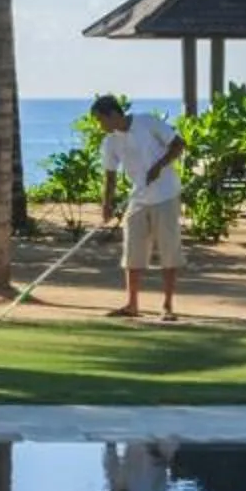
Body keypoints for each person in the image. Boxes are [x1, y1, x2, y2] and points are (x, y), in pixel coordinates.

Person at [91, 95, 185, 321]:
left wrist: (159, 166)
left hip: (165, 194)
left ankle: (167, 306)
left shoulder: (148, 123)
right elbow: (110, 175)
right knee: (132, 252)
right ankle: (132, 304)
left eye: (101, 120)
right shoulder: (110, 141)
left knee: (168, 250)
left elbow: (178, 144)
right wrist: (107, 204)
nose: (100, 126)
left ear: (113, 115)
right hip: (138, 198)